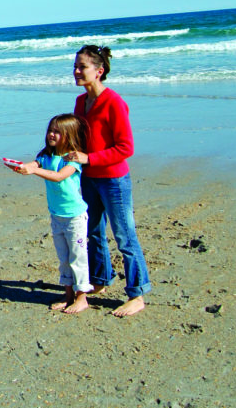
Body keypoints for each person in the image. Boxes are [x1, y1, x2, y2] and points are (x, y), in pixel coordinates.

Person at [65, 45, 151, 317]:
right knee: (92, 233)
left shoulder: (114, 102)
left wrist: (89, 159)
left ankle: (137, 294)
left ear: (99, 71)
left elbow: (126, 148)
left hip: (114, 180)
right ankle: (101, 280)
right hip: (88, 179)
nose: (76, 71)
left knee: (125, 237)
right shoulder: (81, 102)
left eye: (83, 67)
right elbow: (77, 139)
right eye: (75, 66)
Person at [12, 114, 93, 313]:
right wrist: (22, 167)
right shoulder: (46, 155)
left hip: (75, 217)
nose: (51, 134)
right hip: (57, 215)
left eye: (57, 132)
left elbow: (58, 177)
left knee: (78, 257)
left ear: (69, 135)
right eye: (50, 130)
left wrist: (33, 171)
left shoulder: (72, 159)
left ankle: (82, 297)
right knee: (64, 258)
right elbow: (35, 165)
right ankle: (68, 296)